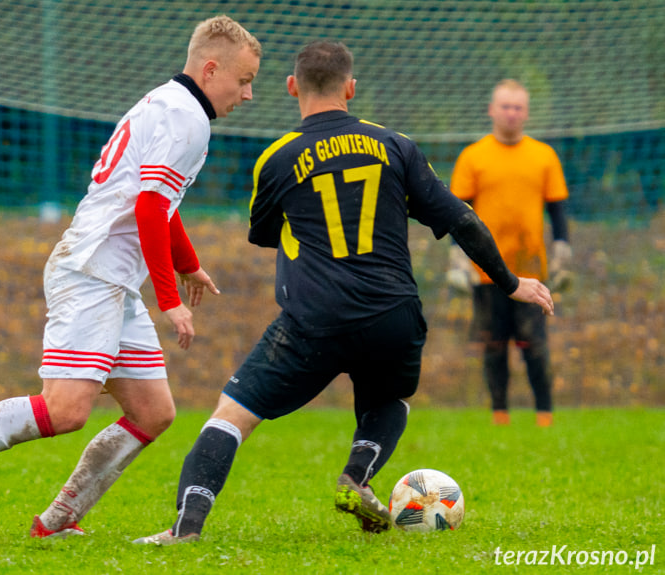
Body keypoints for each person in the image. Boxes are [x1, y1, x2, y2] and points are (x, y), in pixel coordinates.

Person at [133, 41, 554, 546]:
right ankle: (356, 476)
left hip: (313, 320)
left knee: (232, 415)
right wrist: (511, 283)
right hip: (394, 314)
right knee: (389, 399)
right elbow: (462, 219)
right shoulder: (397, 146)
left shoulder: (276, 158)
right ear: (351, 89)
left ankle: (187, 528)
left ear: (292, 87)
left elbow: (264, 233)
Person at [0, 15, 262, 537]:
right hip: (91, 272)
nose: (249, 94)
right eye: (243, 81)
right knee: (64, 410)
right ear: (211, 69)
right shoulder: (186, 118)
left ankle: (58, 521)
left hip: (110, 277)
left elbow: (157, 206)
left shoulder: (169, 103)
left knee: (153, 411)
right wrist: (171, 299)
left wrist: (188, 262)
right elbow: (149, 208)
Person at [447, 79, 570, 428]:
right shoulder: (473, 156)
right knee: (494, 346)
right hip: (486, 272)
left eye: (518, 107)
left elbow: (558, 211)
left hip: (531, 270)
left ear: (526, 113)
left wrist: (562, 252)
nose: (511, 113)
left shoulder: (544, 156)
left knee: (535, 346)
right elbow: (459, 213)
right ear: (492, 109)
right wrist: (457, 259)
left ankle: (544, 415)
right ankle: (499, 415)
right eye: (505, 106)